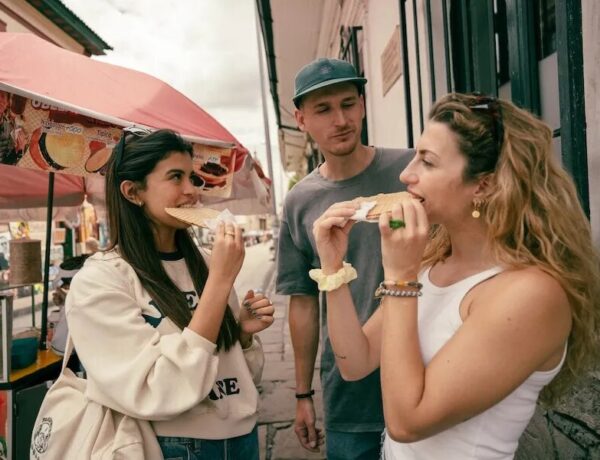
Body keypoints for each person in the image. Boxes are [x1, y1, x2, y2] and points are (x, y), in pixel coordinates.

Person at [313, 92, 600, 459]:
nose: (405, 174)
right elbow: (355, 362)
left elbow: (407, 421)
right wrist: (333, 269)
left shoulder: (532, 294)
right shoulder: (434, 263)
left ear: (483, 185)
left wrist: (400, 277)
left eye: (428, 162)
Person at [65, 128, 275, 459]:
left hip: (242, 438)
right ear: (133, 192)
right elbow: (154, 390)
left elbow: (240, 374)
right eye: (176, 177)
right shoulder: (101, 280)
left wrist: (243, 335)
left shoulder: (207, 263)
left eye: (193, 177)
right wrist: (219, 282)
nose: (192, 190)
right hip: (172, 446)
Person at [276, 57, 412, 459]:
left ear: (363, 105)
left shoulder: (409, 170)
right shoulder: (301, 201)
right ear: (301, 120)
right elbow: (301, 302)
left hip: (422, 373)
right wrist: (303, 394)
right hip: (350, 394)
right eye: (323, 109)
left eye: (348, 104)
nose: (340, 119)